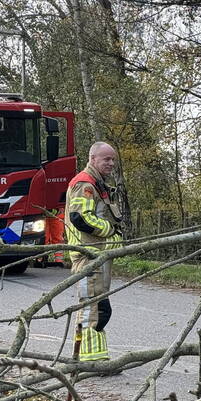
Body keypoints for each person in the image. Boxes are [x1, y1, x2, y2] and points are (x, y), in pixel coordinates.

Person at [65, 141, 123, 362]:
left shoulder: (99, 183)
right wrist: (109, 231)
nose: (111, 163)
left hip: (98, 255)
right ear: (92, 159)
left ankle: (95, 356)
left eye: (113, 159)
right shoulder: (85, 183)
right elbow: (80, 217)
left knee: (100, 307)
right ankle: (90, 359)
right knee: (92, 308)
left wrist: (114, 236)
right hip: (88, 256)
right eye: (106, 159)